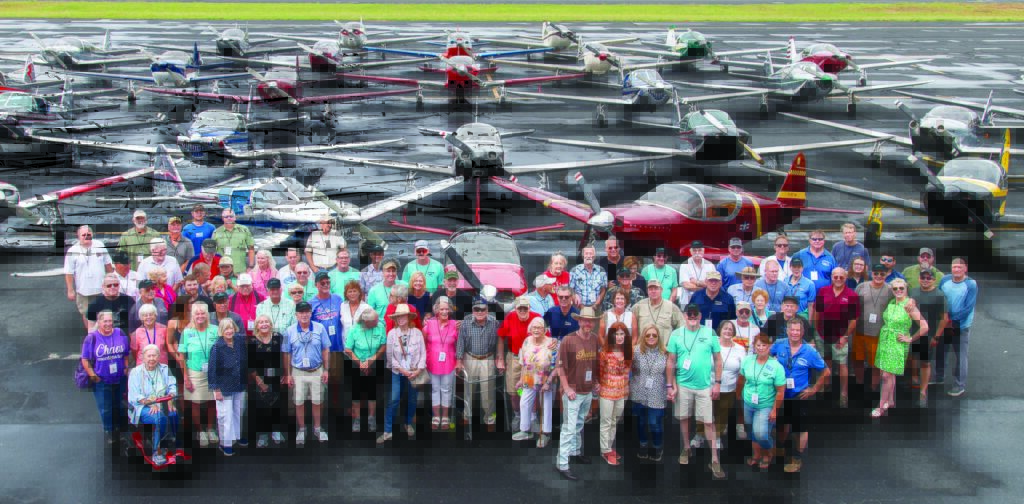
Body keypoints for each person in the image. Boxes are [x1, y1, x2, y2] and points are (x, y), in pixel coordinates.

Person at [666, 303, 725, 479]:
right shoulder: (676, 335)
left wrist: (718, 383)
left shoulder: (710, 333)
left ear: (700, 316)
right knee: (684, 418)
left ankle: (714, 458)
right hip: (683, 385)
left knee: (708, 422)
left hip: (704, 386)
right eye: (689, 314)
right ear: (684, 315)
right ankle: (686, 447)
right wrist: (670, 386)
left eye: (695, 315)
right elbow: (670, 361)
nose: (692, 317)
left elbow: (718, 359)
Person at [771, 319, 830, 473]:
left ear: (802, 333)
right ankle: (780, 449)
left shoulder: (809, 351)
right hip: (781, 393)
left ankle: (797, 458)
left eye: (798, 330)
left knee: (800, 428)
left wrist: (814, 389)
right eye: (792, 330)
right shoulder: (779, 344)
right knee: (781, 423)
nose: (795, 333)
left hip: (799, 395)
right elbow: (765, 357)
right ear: (787, 331)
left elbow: (826, 371)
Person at [555, 306, 601, 481]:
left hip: (587, 390)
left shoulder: (595, 339)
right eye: (585, 320)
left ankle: (575, 452)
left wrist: (596, 382)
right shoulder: (568, 340)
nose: (588, 323)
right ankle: (562, 463)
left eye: (591, 321)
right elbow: (560, 366)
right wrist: (566, 388)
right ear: (579, 321)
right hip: (573, 391)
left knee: (579, 423)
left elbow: (594, 364)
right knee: (568, 427)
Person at [872, 278, 928, 418]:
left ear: (906, 289)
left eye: (901, 288)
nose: (898, 291)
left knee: (886, 375)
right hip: (885, 341)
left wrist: (910, 338)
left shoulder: (909, 305)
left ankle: (880, 407)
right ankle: (890, 401)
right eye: (895, 288)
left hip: (897, 344)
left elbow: (924, 326)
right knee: (888, 374)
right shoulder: (892, 302)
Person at [282, 301, 331, 445]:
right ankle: (302, 429)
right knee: (299, 402)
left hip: (317, 370)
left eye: (307, 312)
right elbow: (286, 353)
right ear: (296, 314)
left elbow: (326, 349)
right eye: (301, 312)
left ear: (311, 313)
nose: (304, 315)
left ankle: (317, 428)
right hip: (298, 371)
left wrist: (327, 370)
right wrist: (288, 374)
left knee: (317, 400)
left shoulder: (320, 328)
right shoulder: (289, 331)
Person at [735, 334, 786, 470]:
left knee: (761, 434)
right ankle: (757, 455)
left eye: (764, 345)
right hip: (748, 402)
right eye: (758, 345)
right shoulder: (747, 361)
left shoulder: (776, 366)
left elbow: (781, 391)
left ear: (769, 347)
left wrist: (775, 410)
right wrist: (738, 395)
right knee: (751, 430)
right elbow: (741, 378)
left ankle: (768, 452)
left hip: (766, 405)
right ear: (754, 347)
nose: (761, 348)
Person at [173, 303, 220, 448]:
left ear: (207, 315)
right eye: (197, 314)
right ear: (193, 316)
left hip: (214, 372)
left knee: (212, 401)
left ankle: (211, 428)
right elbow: (182, 355)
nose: (200, 316)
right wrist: (186, 377)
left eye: (203, 313)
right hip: (194, 372)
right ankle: (200, 431)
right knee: (196, 402)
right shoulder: (187, 332)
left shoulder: (215, 330)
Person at [695, 320, 746, 450]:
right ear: (720, 330)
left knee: (722, 413)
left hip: (728, 388)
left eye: (730, 329)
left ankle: (716, 437)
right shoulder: (710, 343)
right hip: (707, 385)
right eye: (725, 328)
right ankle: (699, 435)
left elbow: (742, 371)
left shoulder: (740, 349)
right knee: (703, 412)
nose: (728, 331)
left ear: (734, 332)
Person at [378, 304, 426, 444]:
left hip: (414, 372)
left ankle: (408, 422)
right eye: (398, 316)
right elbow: (390, 357)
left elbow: (423, 353)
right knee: (393, 399)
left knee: (412, 399)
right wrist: (403, 370)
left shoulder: (417, 333)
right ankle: (387, 431)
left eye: (403, 316)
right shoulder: (392, 334)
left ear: (409, 317)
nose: (400, 318)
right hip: (398, 372)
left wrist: (418, 370)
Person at [81, 310, 131, 445]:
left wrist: (126, 368)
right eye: (105, 321)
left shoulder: (120, 333)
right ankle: (110, 430)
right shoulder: (92, 338)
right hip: (102, 380)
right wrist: (93, 375)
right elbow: (85, 359)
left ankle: (121, 429)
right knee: (106, 407)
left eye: (110, 321)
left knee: (119, 404)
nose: (108, 324)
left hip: (120, 377)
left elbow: (126, 353)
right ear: (99, 322)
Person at [812, 267, 860, 408]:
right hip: (822, 334)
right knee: (824, 360)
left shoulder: (851, 295)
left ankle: (843, 393)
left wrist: (845, 336)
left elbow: (854, 319)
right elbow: (817, 311)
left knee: (842, 364)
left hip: (840, 336)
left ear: (846, 278)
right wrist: (816, 331)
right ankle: (824, 385)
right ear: (831, 277)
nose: (838, 279)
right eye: (835, 276)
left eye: (841, 277)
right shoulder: (823, 291)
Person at [127, 344, 179, 464]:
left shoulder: (165, 368)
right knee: (159, 417)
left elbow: (172, 386)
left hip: (163, 402)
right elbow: (135, 395)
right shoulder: (135, 372)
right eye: (149, 356)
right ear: (143, 357)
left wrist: (171, 399)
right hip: (143, 406)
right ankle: (157, 450)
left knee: (173, 413)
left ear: (159, 356)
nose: (152, 359)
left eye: (154, 356)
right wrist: (151, 403)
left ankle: (170, 438)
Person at [456, 297, 499, 437]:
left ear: (487, 310)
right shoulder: (466, 322)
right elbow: (460, 342)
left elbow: (500, 341)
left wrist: (499, 358)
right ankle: (467, 415)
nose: (480, 311)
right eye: (477, 309)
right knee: (469, 389)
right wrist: (459, 360)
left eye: (483, 309)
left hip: (488, 358)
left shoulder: (494, 322)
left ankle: (490, 419)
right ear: (473, 310)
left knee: (488, 392)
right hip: (470, 357)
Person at [499, 296, 541, 428]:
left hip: (533, 359)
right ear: (516, 309)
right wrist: (500, 358)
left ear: (529, 308)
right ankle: (518, 415)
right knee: (515, 391)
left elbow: (546, 336)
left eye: (525, 308)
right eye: (520, 308)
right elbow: (501, 336)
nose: (522, 310)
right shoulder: (510, 317)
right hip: (515, 358)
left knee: (531, 389)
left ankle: (533, 417)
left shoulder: (537, 317)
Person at [514, 318, 557, 447]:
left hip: (546, 379)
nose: (537, 330)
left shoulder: (552, 343)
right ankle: (525, 430)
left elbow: (556, 365)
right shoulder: (526, 341)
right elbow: (523, 363)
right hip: (529, 378)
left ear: (544, 330)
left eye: (540, 328)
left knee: (546, 406)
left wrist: (548, 382)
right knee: (524, 403)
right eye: (534, 327)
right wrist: (521, 379)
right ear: (530, 329)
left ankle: (545, 434)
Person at [208, 318, 248, 456]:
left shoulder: (239, 342)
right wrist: (216, 390)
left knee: (238, 412)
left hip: (239, 383)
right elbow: (212, 370)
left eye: (231, 328)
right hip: (223, 386)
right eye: (226, 329)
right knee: (226, 416)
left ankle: (236, 436)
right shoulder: (217, 347)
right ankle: (225, 443)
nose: (229, 331)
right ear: (221, 331)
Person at [938, 257, 977, 398]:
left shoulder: (971, 284)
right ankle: (939, 376)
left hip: (961, 326)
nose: (956, 269)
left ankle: (959, 385)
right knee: (941, 351)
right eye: (954, 267)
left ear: (965, 269)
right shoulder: (945, 280)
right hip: (945, 324)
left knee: (960, 356)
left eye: (960, 267)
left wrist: (952, 320)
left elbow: (968, 307)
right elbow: (938, 297)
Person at [344, 308, 386, 433]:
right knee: (356, 393)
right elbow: (348, 349)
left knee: (372, 392)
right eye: (375, 320)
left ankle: (371, 418)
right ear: (366, 322)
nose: (378, 321)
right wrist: (361, 364)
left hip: (374, 363)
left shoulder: (380, 326)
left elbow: (383, 345)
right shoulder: (354, 329)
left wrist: (372, 360)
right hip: (357, 363)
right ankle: (356, 419)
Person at [630, 325, 669, 462]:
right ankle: (643, 445)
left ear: (658, 337)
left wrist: (672, 387)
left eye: (654, 335)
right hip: (639, 391)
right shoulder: (635, 351)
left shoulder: (666, 352)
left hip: (657, 393)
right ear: (643, 337)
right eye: (648, 335)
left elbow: (670, 373)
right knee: (641, 422)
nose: (651, 337)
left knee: (654, 423)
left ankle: (658, 447)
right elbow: (629, 367)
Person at [65, 225, 113, 331]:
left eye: (89, 234)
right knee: (87, 314)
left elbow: (108, 264)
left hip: (102, 289)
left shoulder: (99, 245)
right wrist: (70, 290)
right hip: (84, 290)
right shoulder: (72, 251)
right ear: (78, 236)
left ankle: (104, 335)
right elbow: (69, 272)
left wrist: (114, 280)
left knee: (104, 314)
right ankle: (91, 336)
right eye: (83, 235)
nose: (86, 236)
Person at [310, 270, 345, 413]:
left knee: (337, 380)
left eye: (327, 282)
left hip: (337, 347)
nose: (325, 284)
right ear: (316, 285)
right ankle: (323, 413)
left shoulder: (338, 299)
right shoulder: (312, 302)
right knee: (323, 380)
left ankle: (336, 410)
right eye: (322, 282)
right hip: (321, 349)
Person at [854, 264, 893, 391]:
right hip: (859, 330)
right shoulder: (861, 287)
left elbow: (901, 301)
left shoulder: (890, 290)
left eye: (882, 274)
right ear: (872, 273)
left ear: (886, 274)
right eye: (876, 273)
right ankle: (859, 384)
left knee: (875, 362)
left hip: (878, 332)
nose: (879, 276)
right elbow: (853, 307)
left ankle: (873, 387)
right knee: (858, 359)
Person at [249, 315, 286, 447]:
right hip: (259, 379)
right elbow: (250, 364)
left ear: (270, 324)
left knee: (277, 405)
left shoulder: (278, 337)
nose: (264, 324)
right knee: (261, 407)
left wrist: (286, 373)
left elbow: (285, 355)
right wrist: (260, 382)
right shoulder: (252, 341)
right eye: (261, 322)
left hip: (277, 377)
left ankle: (276, 430)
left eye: (266, 321)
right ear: (257, 325)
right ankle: (263, 434)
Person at [598, 322, 632, 466]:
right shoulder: (605, 353)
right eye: (616, 334)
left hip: (622, 392)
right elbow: (599, 373)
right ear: (611, 335)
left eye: (622, 334)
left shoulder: (628, 352)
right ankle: (604, 450)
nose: (619, 337)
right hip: (607, 392)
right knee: (606, 422)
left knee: (614, 421)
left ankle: (609, 447)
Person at [912, 268, 947, 406]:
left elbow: (944, 318)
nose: (925, 280)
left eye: (929, 278)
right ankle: (914, 380)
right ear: (919, 278)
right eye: (923, 277)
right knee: (913, 357)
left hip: (928, 335)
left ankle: (923, 391)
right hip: (912, 332)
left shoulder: (939, 295)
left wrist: (937, 336)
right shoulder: (913, 291)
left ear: (934, 280)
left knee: (925, 362)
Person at [424, 297, 459, 432]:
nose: (444, 311)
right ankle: (436, 417)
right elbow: (424, 341)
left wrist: (460, 361)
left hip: (449, 362)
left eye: (446, 309)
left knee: (446, 389)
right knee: (434, 389)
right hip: (432, 362)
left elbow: (459, 344)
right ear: (436, 310)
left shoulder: (455, 324)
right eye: (441, 309)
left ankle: (445, 417)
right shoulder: (429, 324)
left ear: (450, 310)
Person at [633, 279, 684, 347]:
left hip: (664, 351)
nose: (653, 291)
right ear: (647, 291)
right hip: (642, 351)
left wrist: (673, 346)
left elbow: (681, 328)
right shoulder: (638, 307)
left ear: (661, 290)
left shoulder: (671, 307)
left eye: (656, 288)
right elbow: (630, 328)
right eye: (650, 289)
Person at [367, 259, 405, 323]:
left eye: (393, 271)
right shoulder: (374, 291)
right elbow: (370, 313)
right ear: (382, 272)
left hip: (400, 327)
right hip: (382, 328)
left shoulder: (404, 285)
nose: (391, 274)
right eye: (388, 271)